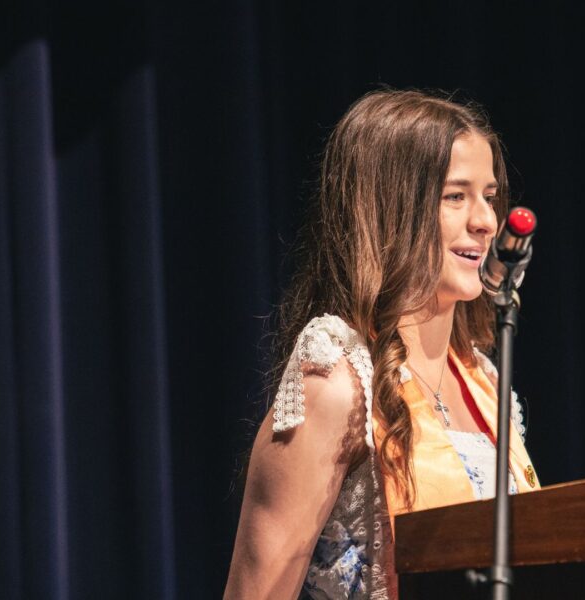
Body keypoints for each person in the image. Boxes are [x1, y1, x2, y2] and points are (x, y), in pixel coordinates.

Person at [223, 89, 541, 600]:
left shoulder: (485, 384)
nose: (485, 221)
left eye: (490, 196)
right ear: (393, 212)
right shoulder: (337, 383)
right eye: (455, 196)